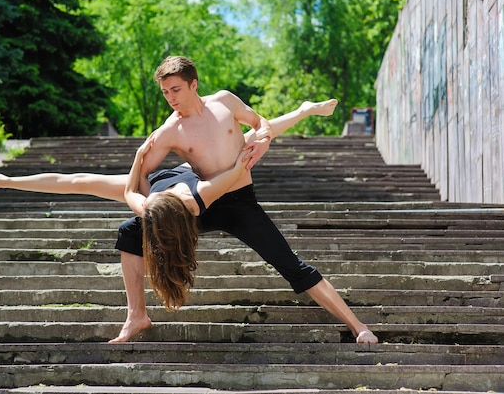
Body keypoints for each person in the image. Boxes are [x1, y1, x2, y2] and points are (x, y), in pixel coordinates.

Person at [111, 56, 377, 344]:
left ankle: (357, 326)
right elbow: (144, 174)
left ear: (194, 84)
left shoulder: (224, 102)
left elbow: (259, 122)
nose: (170, 98)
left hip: (240, 203)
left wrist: (263, 139)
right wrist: (160, 212)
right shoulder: (169, 130)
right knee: (129, 230)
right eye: (165, 92)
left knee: (292, 265)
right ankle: (136, 314)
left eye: (175, 90)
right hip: (201, 205)